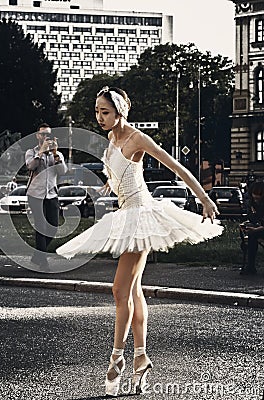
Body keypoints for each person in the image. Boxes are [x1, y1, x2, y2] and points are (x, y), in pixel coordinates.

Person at [56, 87, 222, 396]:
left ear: (120, 111)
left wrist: (204, 198)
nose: (99, 117)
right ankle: (141, 356)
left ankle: (116, 357)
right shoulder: (111, 140)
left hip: (141, 216)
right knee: (133, 291)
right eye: (96, 112)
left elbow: (177, 167)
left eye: (105, 112)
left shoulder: (137, 138)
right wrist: (110, 183)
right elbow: (121, 171)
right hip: (125, 213)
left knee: (120, 290)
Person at [25, 123, 67, 269]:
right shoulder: (31, 152)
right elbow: (31, 167)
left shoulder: (57, 154)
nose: (45, 137)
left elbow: (62, 171)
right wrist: (41, 152)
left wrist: (55, 154)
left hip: (52, 195)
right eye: (42, 134)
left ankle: (37, 256)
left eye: (48, 135)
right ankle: (43, 262)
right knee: (41, 227)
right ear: (37, 136)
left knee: (53, 227)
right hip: (35, 195)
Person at [240, 181, 264, 275]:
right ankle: (250, 266)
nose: (256, 200)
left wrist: (256, 229)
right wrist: (247, 225)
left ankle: (250, 266)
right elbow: (253, 219)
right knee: (252, 236)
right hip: (260, 229)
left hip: (261, 229)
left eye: (258, 198)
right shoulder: (253, 204)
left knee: (253, 235)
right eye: (254, 198)